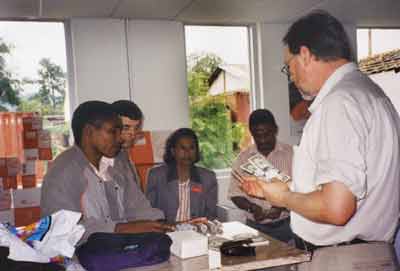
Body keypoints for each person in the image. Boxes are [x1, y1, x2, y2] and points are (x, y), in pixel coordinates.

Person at [241, 10, 400, 270]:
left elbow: (337, 208)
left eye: (288, 66)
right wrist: (287, 189)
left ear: (304, 54)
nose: (290, 76)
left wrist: (284, 198)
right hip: (373, 255)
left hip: (343, 259)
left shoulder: (338, 103)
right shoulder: (372, 95)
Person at [41, 101, 173, 243]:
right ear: (88, 132)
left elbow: (136, 205)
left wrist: (160, 224)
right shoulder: (63, 169)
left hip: (120, 251)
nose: (119, 138)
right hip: (78, 260)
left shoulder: (119, 161)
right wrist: (119, 229)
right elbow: (62, 229)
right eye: (112, 132)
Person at [228, 109, 293, 243]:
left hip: (287, 225)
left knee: (290, 261)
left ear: (275, 130)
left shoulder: (291, 154)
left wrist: (280, 206)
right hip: (255, 227)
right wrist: (253, 208)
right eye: (258, 135)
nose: (263, 140)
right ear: (251, 133)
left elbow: (302, 189)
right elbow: (235, 194)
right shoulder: (242, 159)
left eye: (267, 134)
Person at [146, 128, 218, 223]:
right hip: (166, 232)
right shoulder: (156, 175)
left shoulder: (208, 177)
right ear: (172, 151)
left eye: (192, 148)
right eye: (182, 148)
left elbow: (210, 214)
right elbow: (150, 212)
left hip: (196, 232)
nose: (187, 153)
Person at [111, 100, 144, 187]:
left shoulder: (123, 154)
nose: (132, 134)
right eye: (126, 127)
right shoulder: (100, 160)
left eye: (136, 128)